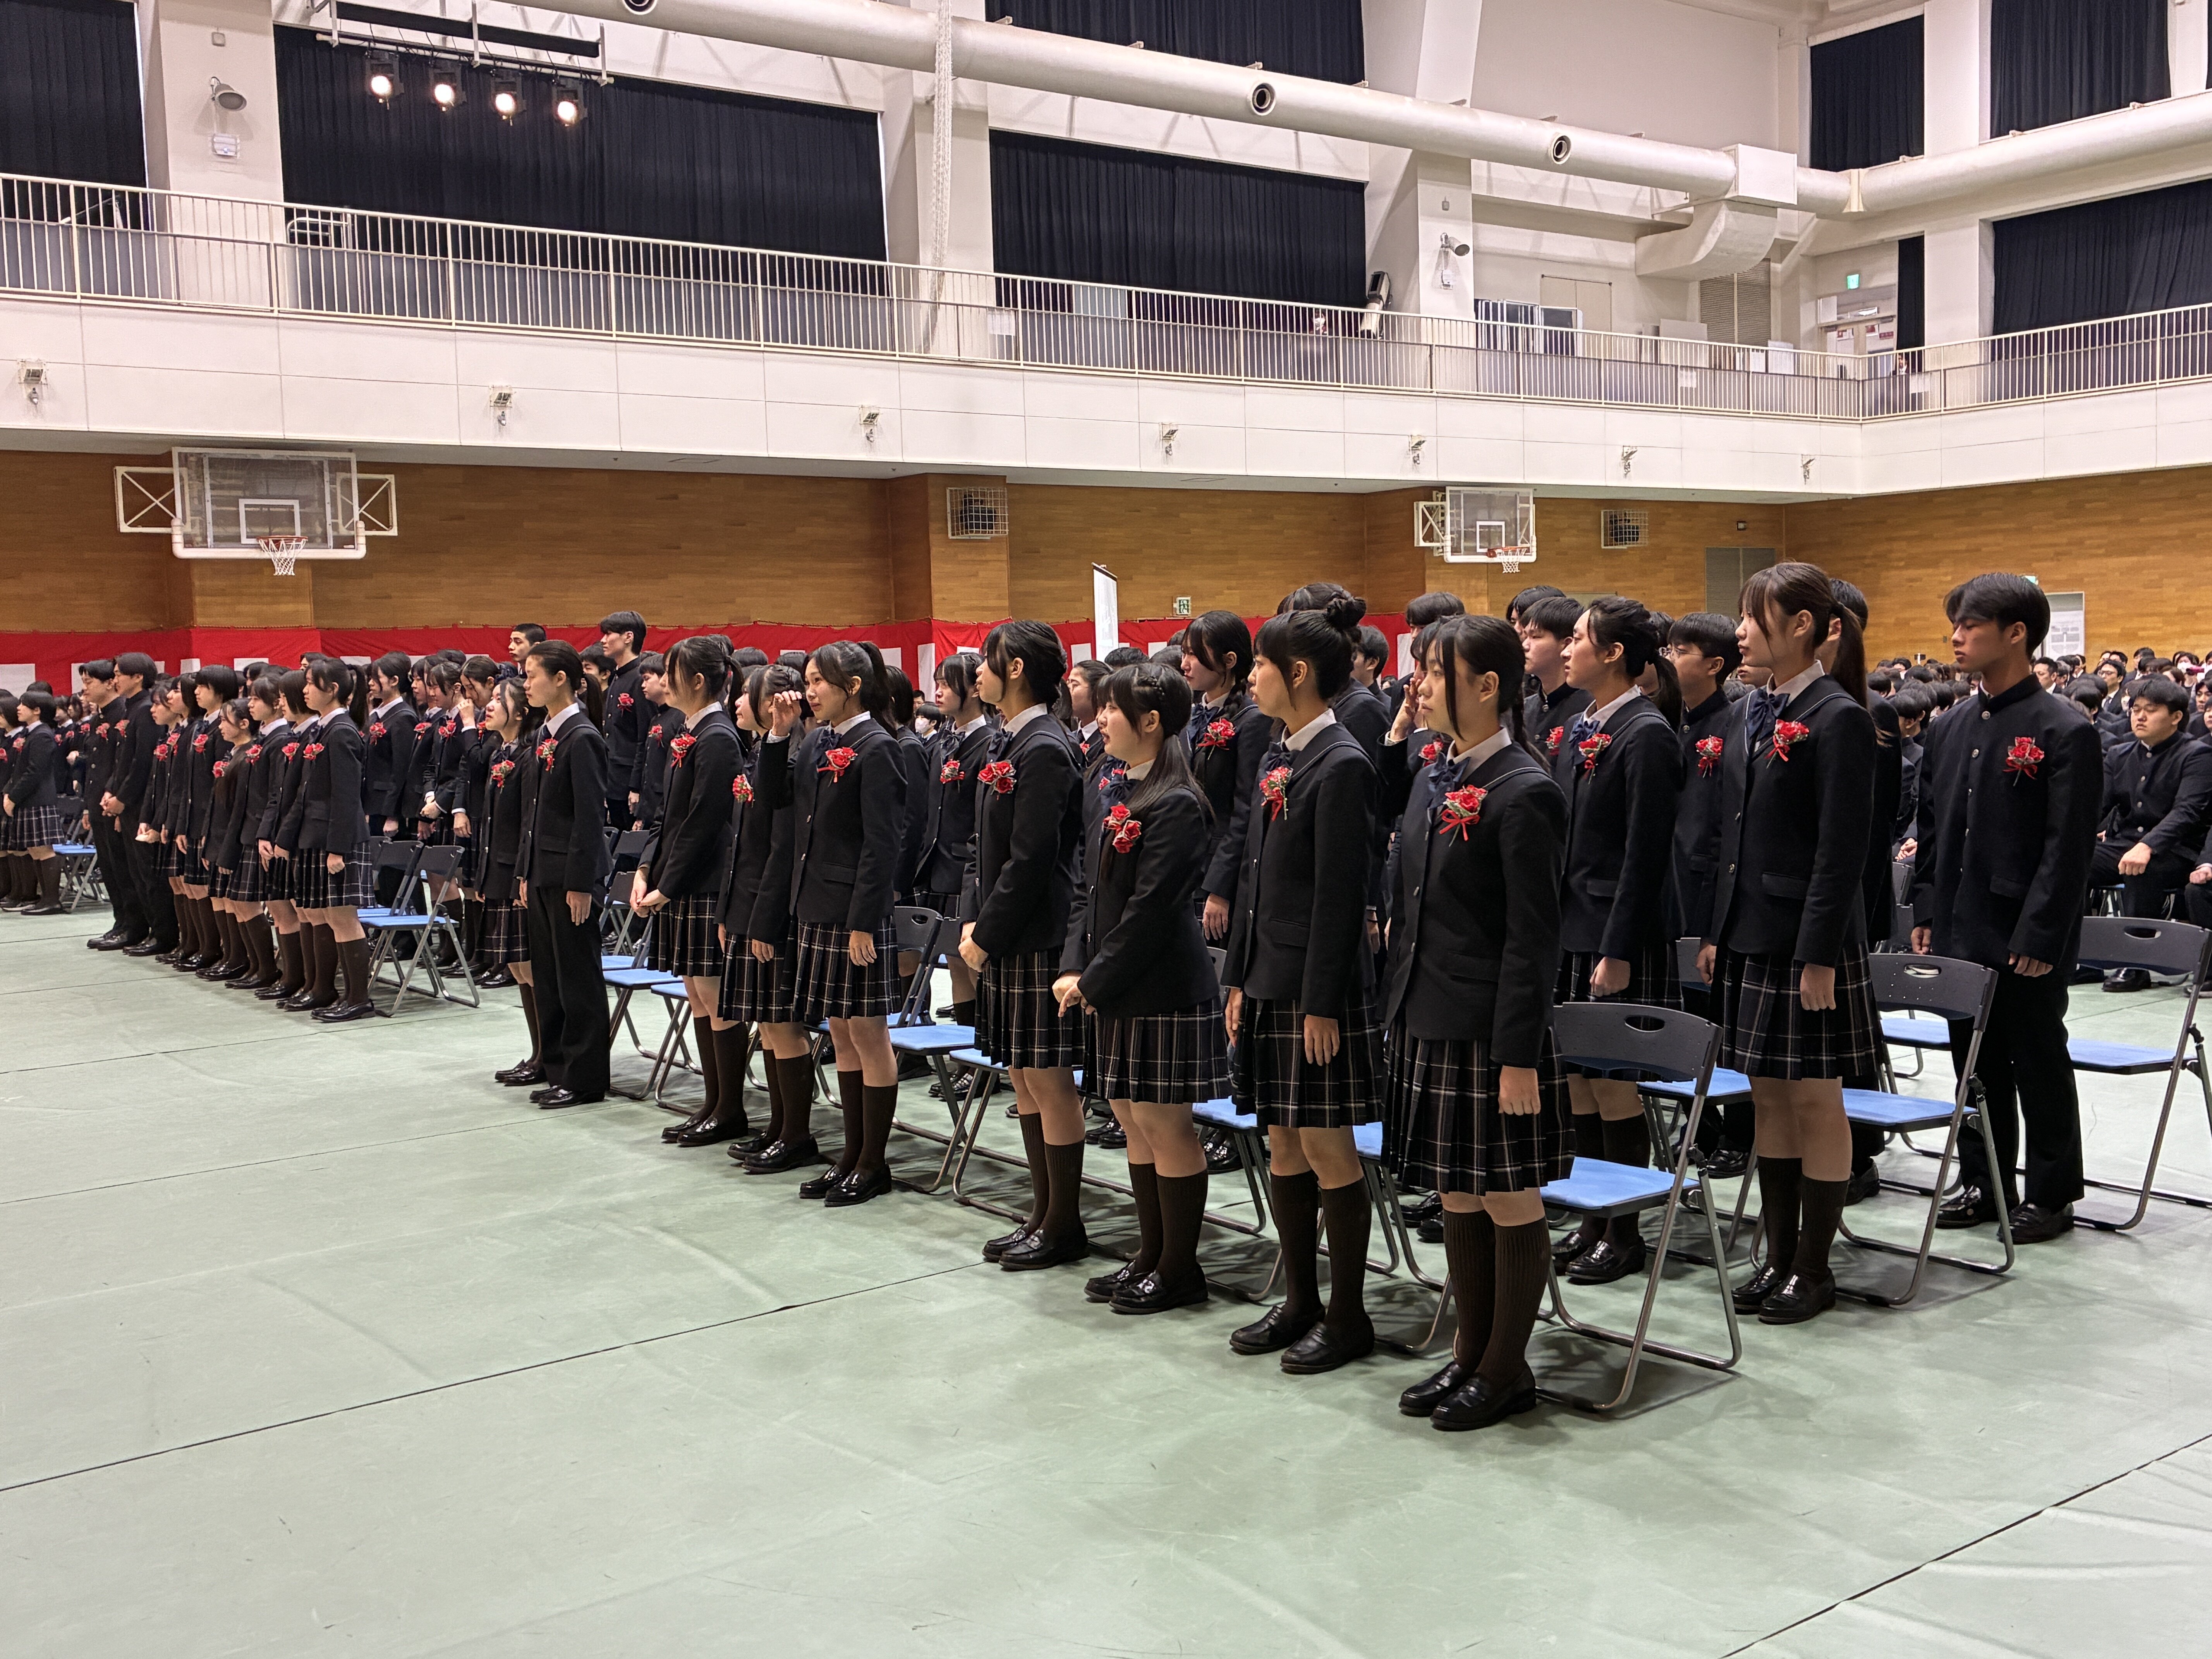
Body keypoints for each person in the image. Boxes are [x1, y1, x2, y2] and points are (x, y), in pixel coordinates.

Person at [1385, 614, 1570, 1431]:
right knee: (1456, 1190)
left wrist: (1518, 1055)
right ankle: (1468, 1353)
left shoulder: (1525, 790)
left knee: (1507, 1195)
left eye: (1435, 671)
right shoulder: (1437, 771)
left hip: (1492, 1030)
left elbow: (1533, 939)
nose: (1419, 685)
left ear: (1487, 685)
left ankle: (1505, 1369)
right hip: (1430, 1010)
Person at [1699, 562, 1879, 1324]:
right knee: (1767, 1096)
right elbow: (1733, 834)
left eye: (1753, 615)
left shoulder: (1837, 717)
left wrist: (1817, 954)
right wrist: (1717, 930)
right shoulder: (1751, 709)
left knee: (1816, 1098)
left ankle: (1814, 1266)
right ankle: (1776, 1258)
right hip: (1750, 931)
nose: (1740, 630)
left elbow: (1841, 852)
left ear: (1802, 625)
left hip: (1807, 940)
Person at [1912, 575, 2102, 1244]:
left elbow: (2067, 848)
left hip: (2025, 928)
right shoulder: (1950, 725)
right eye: (1955, 625)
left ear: (2016, 633)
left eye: (1970, 625)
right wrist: (1925, 908)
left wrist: (2041, 932)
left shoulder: (2064, 728)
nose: (1956, 638)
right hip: (1960, 920)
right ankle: (1983, 1178)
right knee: (1973, 1061)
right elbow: (1931, 827)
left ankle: (2052, 1192)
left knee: (2037, 1058)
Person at [1221, 596, 1382, 1373]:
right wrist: (1238, 978)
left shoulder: (1342, 762)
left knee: (1326, 1144)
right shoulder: (1276, 752)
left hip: (1317, 988)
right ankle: (1299, 1301)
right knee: (1281, 1139)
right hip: (1267, 974)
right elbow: (1254, 879)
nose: (1251, 677)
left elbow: (1339, 897)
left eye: (1259, 664)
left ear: (1297, 672)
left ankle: (1348, 1316)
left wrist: (1322, 1003)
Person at [1054, 662, 1230, 1314]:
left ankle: (1180, 1268)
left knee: (1164, 1122)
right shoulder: (1118, 787)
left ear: (1151, 721)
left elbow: (1152, 910)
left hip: (1163, 985)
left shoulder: (1177, 801)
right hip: (1119, 983)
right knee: (1129, 1115)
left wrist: (1094, 979)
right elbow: (1090, 890)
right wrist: (1075, 964)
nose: (1100, 718)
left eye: (1112, 708)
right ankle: (1150, 1254)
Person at [1548, 598, 1684, 1286]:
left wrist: (1618, 948)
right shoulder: (1585, 725)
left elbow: (1645, 854)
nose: (1565, 649)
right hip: (1572, 926)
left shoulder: (1646, 733)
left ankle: (1624, 1230)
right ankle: (1591, 1218)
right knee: (1577, 1081)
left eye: (1577, 638)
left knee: (1614, 1086)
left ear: (1612, 653)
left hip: (1614, 935)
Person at [758, 641, 909, 1205]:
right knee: (840, 1032)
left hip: (854, 915)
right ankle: (849, 1155)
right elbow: (774, 800)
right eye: (808, 680)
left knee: (869, 1033)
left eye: (819, 680)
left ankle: (873, 1163)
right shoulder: (819, 741)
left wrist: (864, 921)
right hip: (815, 906)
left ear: (854, 686)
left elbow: (882, 844)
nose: (809, 690)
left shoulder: (879, 748)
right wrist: (779, 735)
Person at [960, 620, 1089, 1267]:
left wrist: (987, 932)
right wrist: (976, 922)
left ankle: (1063, 1223)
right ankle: (1042, 1211)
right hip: (1010, 933)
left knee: (1048, 1079)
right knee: (1022, 1075)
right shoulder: (1010, 739)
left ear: (1014, 669)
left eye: (987, 661)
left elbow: (1033, 858)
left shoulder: (1044, 747)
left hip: (1037, 933)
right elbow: (986, 850)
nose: (977, 672)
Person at [633, 638, 749, 1147]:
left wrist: (668, 884)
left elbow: (705, 821)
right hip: (679, 880)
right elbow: (667, 815)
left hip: (704, 881)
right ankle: (712, 1102)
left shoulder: (719, 736)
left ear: (698, 681)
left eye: (671, 671)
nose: (662, 679)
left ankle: (730, 1109)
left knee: (716, 996)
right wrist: (645, 868)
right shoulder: (687, 731)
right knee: (697, 994)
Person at [1665, 613, 1754, 1174]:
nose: (1669, 658)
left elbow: (1729, 829)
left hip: (1710, 891)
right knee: (1686, 1019)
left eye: (1681, 650)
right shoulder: (1672, 721)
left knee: (1722, 1021)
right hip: (1674, 888)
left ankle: (1739, 1134)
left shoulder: (1734, 724)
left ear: (1715, 665)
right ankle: (1701, 1127)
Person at [725, 663, 820, 1174]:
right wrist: (730, 913)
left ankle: (797, 1135)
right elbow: (743, 847)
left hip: (773, 912)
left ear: (772, 704)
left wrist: (763, 923)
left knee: (783, 1026)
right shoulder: (761, 754)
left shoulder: (795, 758)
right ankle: (779, 1126)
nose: (737, 702)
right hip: (747, 905)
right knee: (767, 1024)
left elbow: (782, 851)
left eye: (747, 694)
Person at [519, 640, 616, 1107]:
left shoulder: (583, 737)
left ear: (561, 679)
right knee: (550, 975)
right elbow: (535, 812)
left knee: (577, 977)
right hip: (543, 870)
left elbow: (589, 817)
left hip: (570, 876)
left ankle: (585, 1078)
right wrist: (525, 870)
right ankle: (557, 1066)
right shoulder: (546, 734)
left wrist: (581, 883)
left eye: (532, 674)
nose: (525, 684)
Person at [2091, 675, 2212, 992]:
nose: (2140, 717)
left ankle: (2137, 964)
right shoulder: (2119, 754)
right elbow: (2098, 806)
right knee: (2070, 861)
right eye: (2135, 709)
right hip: (2124, 844)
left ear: (2176, 717)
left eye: (2151, 710)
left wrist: (2148, 845)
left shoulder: (2197, 755)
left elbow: (2187, 812)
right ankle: (2081, 958)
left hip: (2177, 850)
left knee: (2141, 870)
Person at [287, 659, 377, 1022]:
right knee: (322, 914)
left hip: (339, 839)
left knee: (342, 917)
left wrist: (337, 848)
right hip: (319, 835)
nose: (305, 689)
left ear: (333, 689)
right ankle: (325, 990)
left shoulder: (341, 732)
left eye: (312, 683)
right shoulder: (323, 729)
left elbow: (346, 795)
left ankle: (359, 999)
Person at [1181, 611, 1272, 948]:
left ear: (1229, 661)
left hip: (1216, 873)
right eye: (1184, 653)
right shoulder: (1190, 715)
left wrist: (1220, 887)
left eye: (1194, 654)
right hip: (1186, 865)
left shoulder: (1252, 720)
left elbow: (1245, 811)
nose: (1185, 664)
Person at [912, 654, 993, 1030]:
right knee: (955, 965)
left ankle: (984, 1046)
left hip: (968, 871)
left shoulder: (989, 741)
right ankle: (964, 1048)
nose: (939, 692)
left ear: (975, 689)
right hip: (938, 866)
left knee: (975, 965)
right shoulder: (942, 741)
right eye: (938, 683)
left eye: (947, 684)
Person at [477, 680, 546, 1085]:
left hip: (515, 871)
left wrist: (522, 872)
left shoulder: (528, 755)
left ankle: (547, 1055)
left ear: (520, 713)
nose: (489, 706)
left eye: (498, 701)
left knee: (531, 966)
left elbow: (527, 823)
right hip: (498, 869)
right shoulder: (499, 753)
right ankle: (537, 1052)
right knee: (518, 968)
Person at [2, 691, 67, 914]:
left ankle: (51, 900)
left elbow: (34, 772)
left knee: (43, 850)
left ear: (37, 710)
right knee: (34, 850)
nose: (18, 708)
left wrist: (13, 796)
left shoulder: (42, 735)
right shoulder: (32, 733)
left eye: (23, 705)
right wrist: (9, 792)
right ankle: (43, 900)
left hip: (39, 800)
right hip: (29, 800)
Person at [1518, 594, 1592, 764]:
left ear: (1567, 644)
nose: (1525, 646)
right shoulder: (1523, 709)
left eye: (1536, 637)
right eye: (1525, 636)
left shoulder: (1590, 708)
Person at [599, 611, 651, 827]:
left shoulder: (640, 679)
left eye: (609, 634)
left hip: (630, 782)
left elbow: (644, 736)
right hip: (613, 780)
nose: (603, 641)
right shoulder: (617, 677)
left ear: (629, 637)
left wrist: (636, 786)